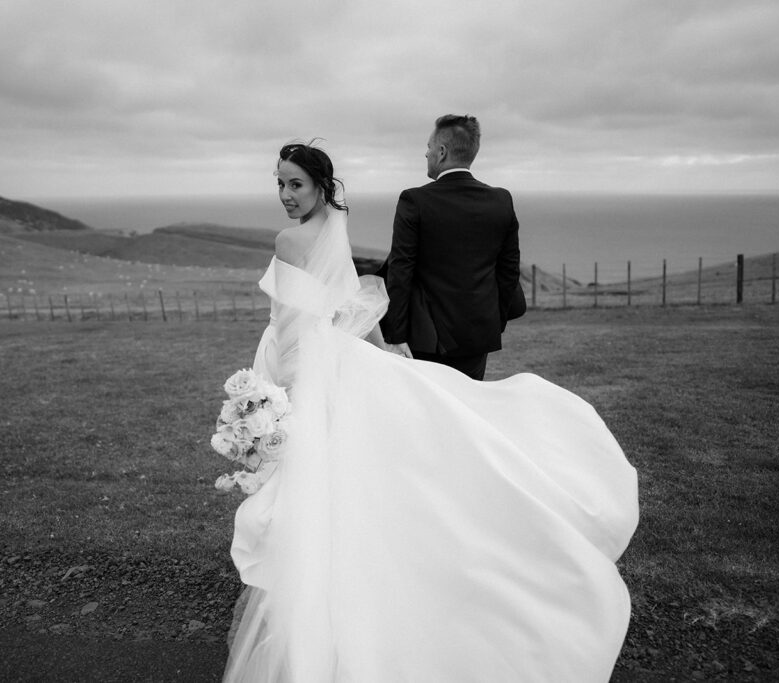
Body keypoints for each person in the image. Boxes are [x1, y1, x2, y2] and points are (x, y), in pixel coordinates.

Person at [220, 141, 638, 682]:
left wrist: (276, 391)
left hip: (306, 369)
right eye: (279, 183)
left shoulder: (289, 239)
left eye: (295, 183)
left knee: (317, 490)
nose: (285, 195)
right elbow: (349, 307)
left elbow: (288, 325)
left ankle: (324, 613)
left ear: (321, 185)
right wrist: (382, 352)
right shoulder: (332, 229)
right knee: (359, 484)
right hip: (338, 359)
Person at [379, 114, 523, 381]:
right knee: (467, 411)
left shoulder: (414, 200)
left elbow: (401, 272)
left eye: (429, 147)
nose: (426, 153)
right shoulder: (501, 200)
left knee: (429, 415)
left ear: (442, 152)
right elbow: (509, 272)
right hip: (478, 336)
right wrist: (494, 322)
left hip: (425, 340)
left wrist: (395, 336)